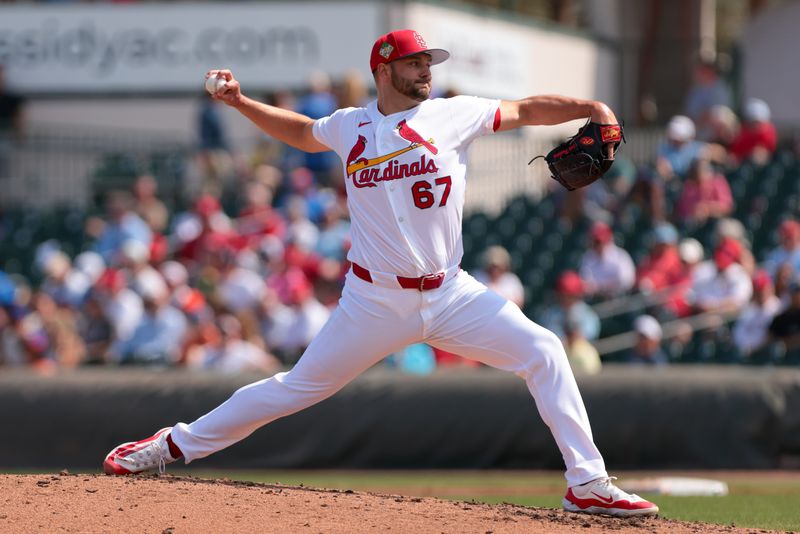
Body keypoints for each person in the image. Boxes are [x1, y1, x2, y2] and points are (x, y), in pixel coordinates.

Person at [103, 29, 658, 517]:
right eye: (416, 63)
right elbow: (300, 132)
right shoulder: (350, 125)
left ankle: (588, 483)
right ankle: (171, 445)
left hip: (451, 293)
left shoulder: (451, 113)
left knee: (544, 351)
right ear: (384, 69)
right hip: (373, 301)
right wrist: (242, 102)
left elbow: (526, 108)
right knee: (296, 387)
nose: (426, 71)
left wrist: (592, 105)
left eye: (428, 63)